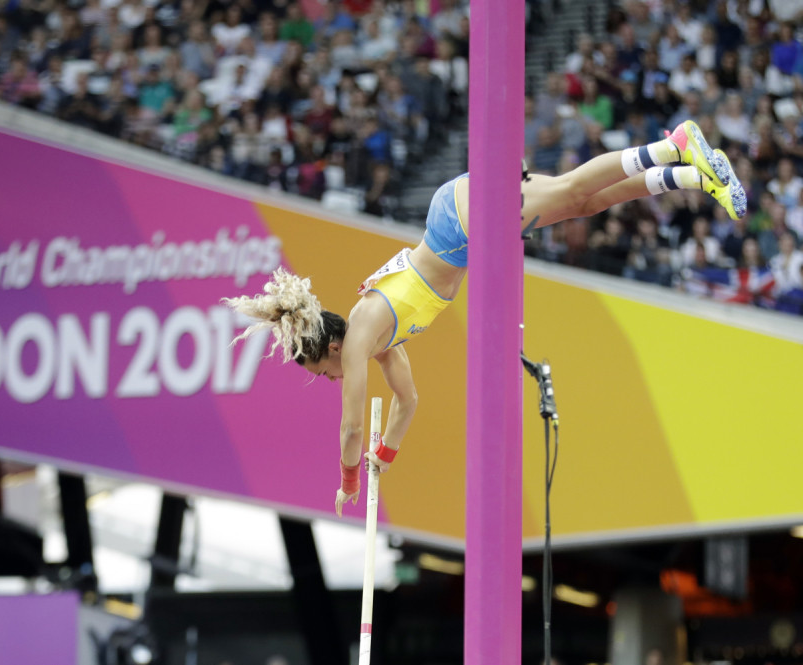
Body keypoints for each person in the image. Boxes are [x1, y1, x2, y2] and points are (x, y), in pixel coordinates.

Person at [223, 120, 747, 517]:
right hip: (459, 226)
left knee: (567, 191)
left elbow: (349, 425)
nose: (334, 380)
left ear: (330, 350)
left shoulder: (360, 335)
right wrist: (386, 456)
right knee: (581, 206)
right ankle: (691, 174)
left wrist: (349, 482)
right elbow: (407, 401)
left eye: (324, 373)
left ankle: (672, 144)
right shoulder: (383, 341)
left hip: (455, 223)